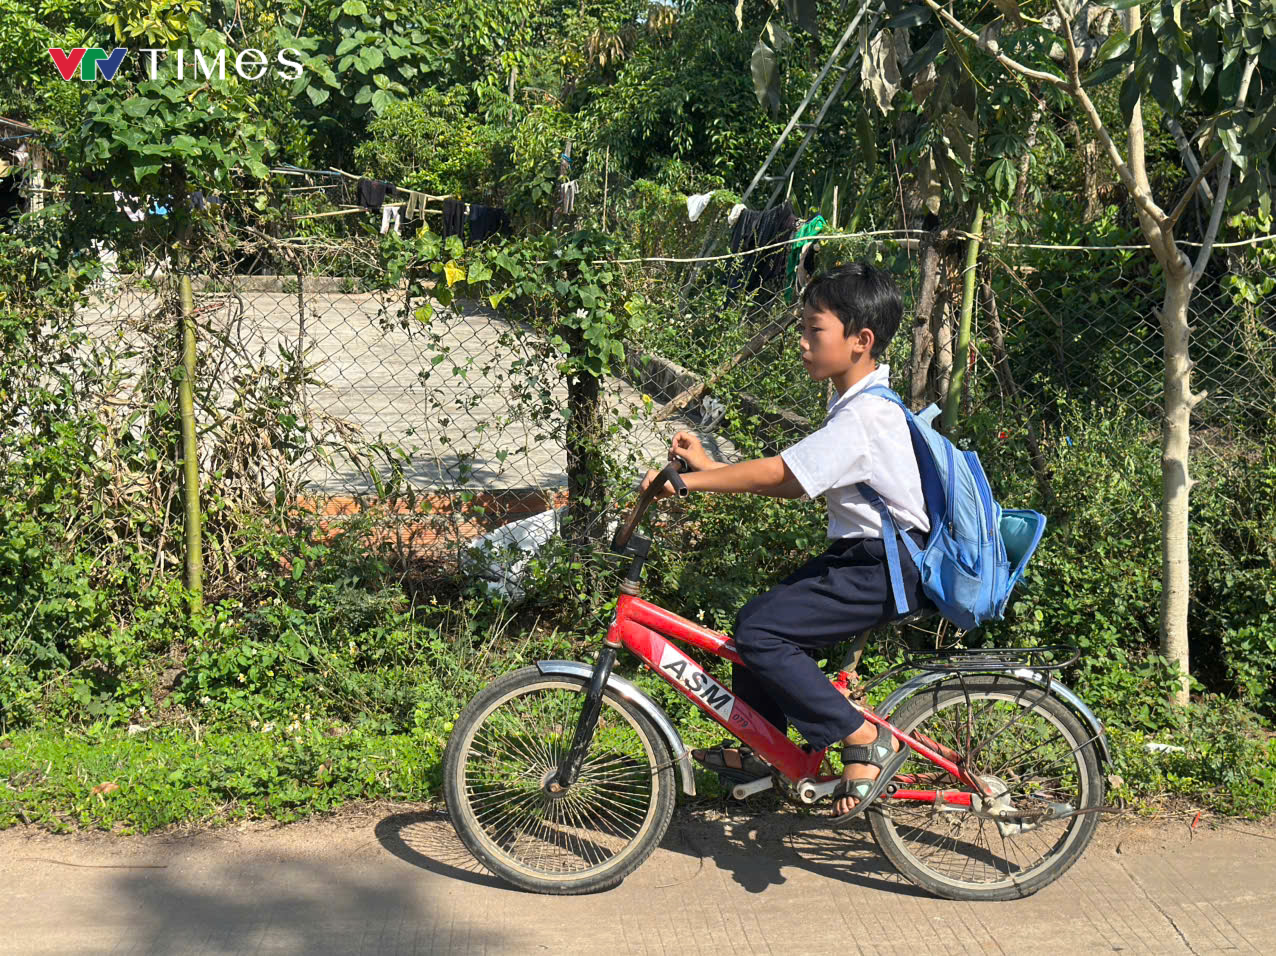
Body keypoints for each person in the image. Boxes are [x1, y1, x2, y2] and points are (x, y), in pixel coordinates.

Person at [640, 262, 930, 819]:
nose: (801, 341)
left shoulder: (866, 416)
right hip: (865, 558)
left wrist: (691, 480)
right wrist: (709, 465)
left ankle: (858, 736)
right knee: (756, 623)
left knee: (761, 632)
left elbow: (786, 476)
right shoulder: (853, 404)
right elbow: (799, 480)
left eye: (813, 330)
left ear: (859, 341)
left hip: (884, 565)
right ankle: (767, 747)